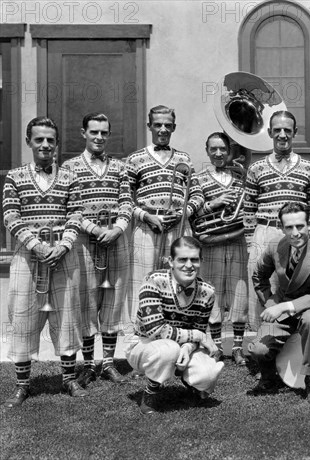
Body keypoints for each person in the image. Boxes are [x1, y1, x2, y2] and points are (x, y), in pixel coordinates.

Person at [3, 116, 86, 407]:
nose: (45, 145)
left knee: (66, 316)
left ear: (57, 143)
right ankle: (23, 385)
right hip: (28, 258)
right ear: (29, 142)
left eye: (51, 140)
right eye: (39, 139)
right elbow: (11, 217)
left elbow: (76, 214)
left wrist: (63, 246)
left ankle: (69, 379)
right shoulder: (14, 177)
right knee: (24, 318)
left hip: (63, 257)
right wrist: (37, 246)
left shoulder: (69, 177)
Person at [62, 113, 133, 387]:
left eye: (104, 133)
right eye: (94, 132)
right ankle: (89, 364)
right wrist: (94, 230)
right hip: (85, 244)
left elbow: (127, 201)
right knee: (87, 303)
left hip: (116, 240)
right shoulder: (70, 167)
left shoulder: (119, 167)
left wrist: (117, 229)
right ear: (84, 133)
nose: (99, 137)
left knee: (113, 302)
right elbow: (72, 208)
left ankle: (108, 363)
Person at [248, 202, 310, 403]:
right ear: (281, 228)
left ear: (309, 225)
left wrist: (285, 307)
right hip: (282, 306)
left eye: (300, 226)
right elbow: (258, 276)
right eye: (289, 227)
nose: (295, 233)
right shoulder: (275, 245)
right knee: (258, 349)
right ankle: (270, 376)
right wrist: (271, 305)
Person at [126, 236, 224, 414]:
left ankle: (190, 381)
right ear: (171, 261)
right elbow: (156, 330)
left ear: (201, 261)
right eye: (182, 259)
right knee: (169, 350)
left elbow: (198, 329)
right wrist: (198, 337)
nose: (189, 265)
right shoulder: (153, 280)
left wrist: (187, 348)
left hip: (181, 344)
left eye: (194, 259)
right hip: (144, 344)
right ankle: (151, 392)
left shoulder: (207, 292)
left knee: (208, 374)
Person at [243, 111, 310, 330]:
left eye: (287, 130)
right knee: (261, 284)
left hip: (296, 235)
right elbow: (249, 209)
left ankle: (292, 341)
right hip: (265, 231)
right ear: (269, 132)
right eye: (277, 130)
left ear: (294, 132)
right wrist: (251, 244)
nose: (282, 135)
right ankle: (262, 341)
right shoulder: (256, 168)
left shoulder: (309, 168)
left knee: (295, 285)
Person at [126, 105, 203, 319]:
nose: (162, 129)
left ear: (174, 128)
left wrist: (183, 214)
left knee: (181, 279)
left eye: (167, 125)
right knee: (144, 282)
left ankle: (179, 329)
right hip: (147, 228)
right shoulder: (135, 159)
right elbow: (124, 199)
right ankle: (140, 335)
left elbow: (197, 196)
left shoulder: (184, 159)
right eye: (157, 125)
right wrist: (146, 216)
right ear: (149, 126)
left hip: (178, 227)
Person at [193, 132, 248, 365]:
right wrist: (213, 205)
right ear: (206, 150)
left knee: (239, 293)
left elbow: (248, 207)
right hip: (212, 244)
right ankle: (215, 347)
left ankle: (236, 348)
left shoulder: (239, 178)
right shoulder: (198, 178)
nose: (218, 153)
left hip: (237, 242)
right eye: (213, 149)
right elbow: (193, 211)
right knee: (212, 293)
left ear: (230, 152)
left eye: (222, 149)